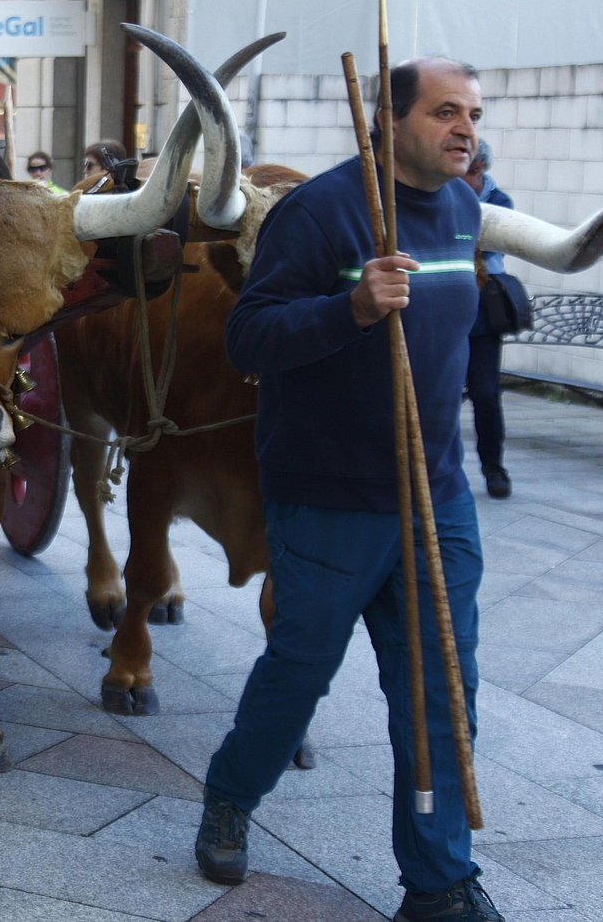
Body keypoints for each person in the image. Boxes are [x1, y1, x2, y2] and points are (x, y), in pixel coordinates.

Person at [198, 58, 502, 922]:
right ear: (388, 118)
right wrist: (352, 309)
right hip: (329, 496)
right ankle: (228, 793)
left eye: (473, 114)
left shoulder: (468, 210)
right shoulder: (323, 210)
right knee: (300, 673)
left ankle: (438, 880)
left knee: (442, 691)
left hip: (435, 497)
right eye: (445, 111)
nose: (464, 129)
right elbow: (248, 338)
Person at [462, 139, 514, 500]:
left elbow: (488, 251)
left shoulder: (500, 203)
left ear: (477, 169)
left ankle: (494, 468)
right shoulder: (437, 194)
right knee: (438, 393)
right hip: (440, 314)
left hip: (481, 315)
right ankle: (434, 468)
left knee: (485, 393)